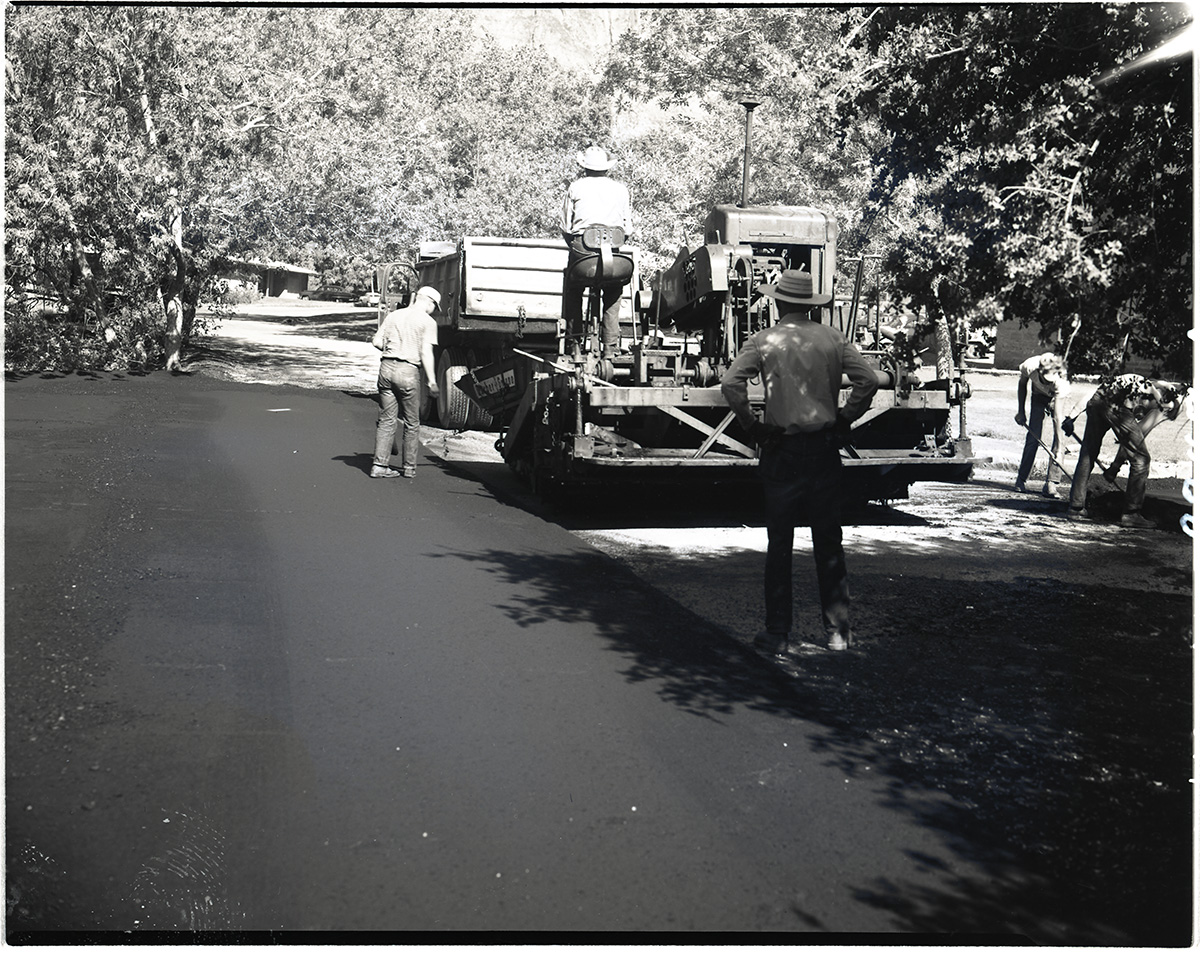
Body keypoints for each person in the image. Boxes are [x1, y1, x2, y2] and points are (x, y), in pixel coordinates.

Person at [721, 269, 879, 655]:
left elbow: (730, 383)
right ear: (811, 304)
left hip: (782, 451)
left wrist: (751, 425)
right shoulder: (833, 339)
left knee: (780, 543)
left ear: (778, 301)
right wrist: (845, 417)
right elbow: (869, 381)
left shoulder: (764, 341)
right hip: (824, 451)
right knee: (828, 542)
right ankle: (838, 633)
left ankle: (778, 633)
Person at [1066, 373, 1186, 528]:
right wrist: (1115, 467)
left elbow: (1092, 395)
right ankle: (1131, 514)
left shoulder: (1147, 384)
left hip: (1098, 399)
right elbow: (1137, 440)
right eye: (1169, 416)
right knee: (1142, 460)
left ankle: (1075, 508)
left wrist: (1071, 417)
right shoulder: (1162, 403)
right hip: (1117, 406)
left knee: (1088, 453)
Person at [560, 145, 633, 357]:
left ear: (584, 167)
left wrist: (578, 248)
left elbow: (566, 227)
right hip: (613, 255)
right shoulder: (621, 189)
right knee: (613, 291)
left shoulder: (575, 187)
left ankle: (574, 344)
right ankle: (610, 348)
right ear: (606, 168)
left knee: (573, 287)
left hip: (583, 255)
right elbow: (627, 230)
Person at [370, 286, 441, 479]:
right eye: (436, 306)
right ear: (429, 302)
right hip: (408, 372)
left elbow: (376, 341)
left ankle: (379, 465)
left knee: (387, 419)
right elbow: (426, 352)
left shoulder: (394, 316)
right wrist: (432, 381)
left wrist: (394, 349)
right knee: (411, 422)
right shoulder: (428, 322)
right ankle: (409, 468)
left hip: (386, 369)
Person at [1014, 352, 1068, 497]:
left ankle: (1051, 483)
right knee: (1033, 437)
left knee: (1059, 440)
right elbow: (1022, 384)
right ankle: (1021, 479)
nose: (1048, 381)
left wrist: (1060, 448)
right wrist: (1021, 411)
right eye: (1045, 379)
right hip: (1037, 397)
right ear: (1039, 371)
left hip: (1055, 399)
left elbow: (1057, 417)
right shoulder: (1029, 366)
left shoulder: (1061, 381)